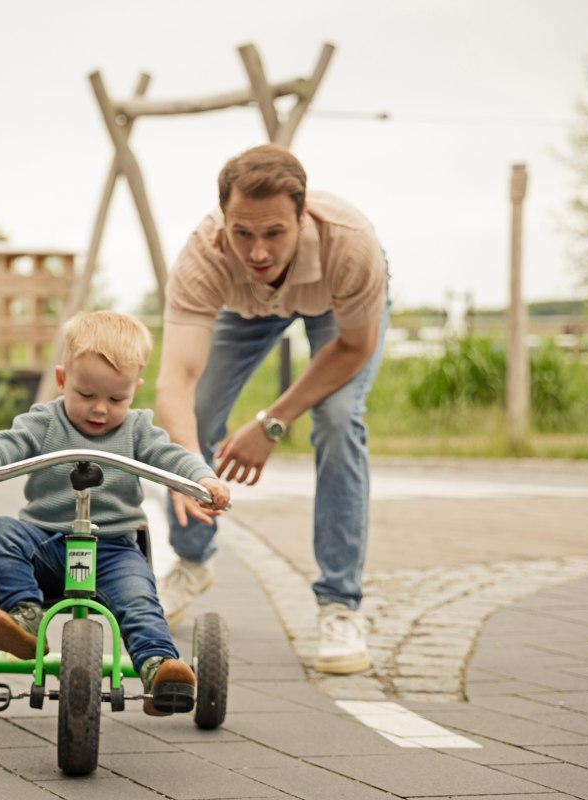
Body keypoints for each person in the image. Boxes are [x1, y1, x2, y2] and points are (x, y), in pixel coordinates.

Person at [154, 143, 389, 675]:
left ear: (302, 217)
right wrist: (185, 464)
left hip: (335, 306)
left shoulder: (350, 244)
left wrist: (272, 422)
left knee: (336, 419)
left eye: (274, 233)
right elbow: (176, 381)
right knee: (195, 417)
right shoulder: (204, 255)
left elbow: (353, 348)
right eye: (243, 233)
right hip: (246, 309)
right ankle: (191, 562)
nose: (257, 252)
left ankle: (339, 605)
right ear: (224, 222)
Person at [0, 310, 231, 714]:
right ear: (63, 381)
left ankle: (157, 667)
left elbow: (171, 456)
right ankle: (26, 616)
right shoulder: (44, 422)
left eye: (116, 398)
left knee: (139, 599)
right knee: (0, 532)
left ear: (135, 389)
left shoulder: (136, 430)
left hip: (113, 550)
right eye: (86, 395)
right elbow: (6, 444)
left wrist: (203, 481)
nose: (100, 409)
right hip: (45, 543)